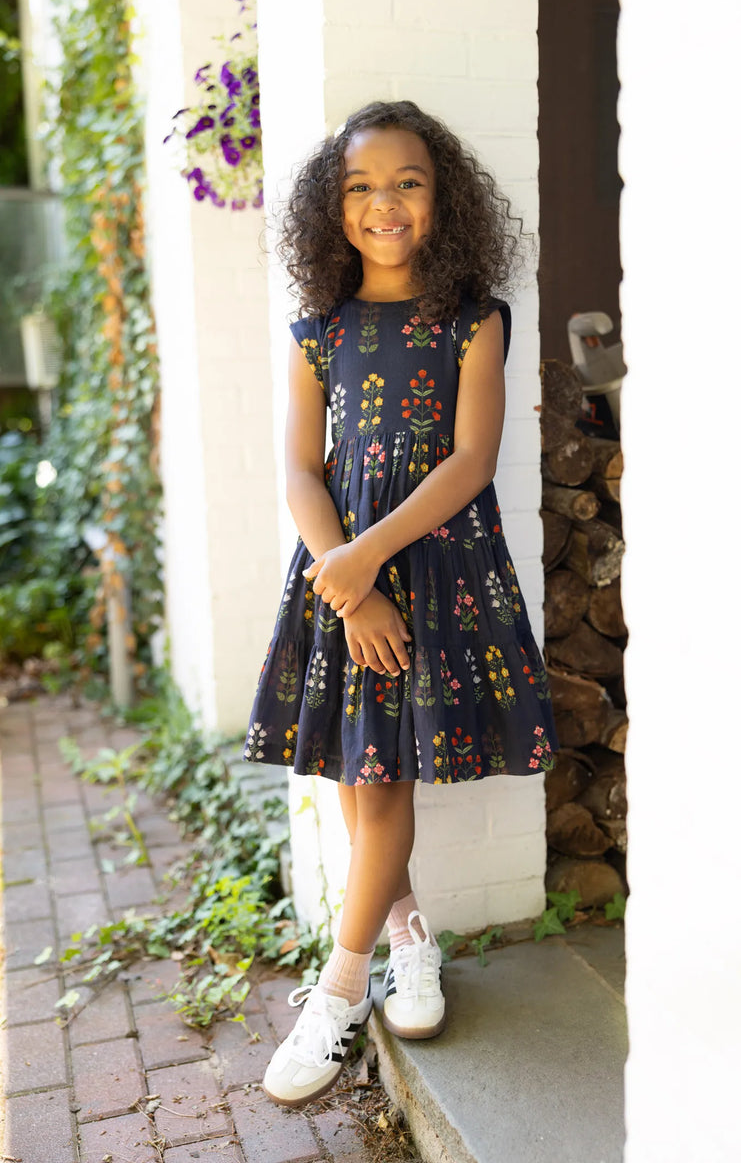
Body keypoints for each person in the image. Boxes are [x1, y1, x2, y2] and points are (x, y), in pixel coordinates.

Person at [244, 100, 559, 1108]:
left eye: (408, 182)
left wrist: (369, 559)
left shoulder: (474, 319)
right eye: (360, 186)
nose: (385, 204)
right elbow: (298, 469)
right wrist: (343, 578)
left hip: (432, 570)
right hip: (343, 581)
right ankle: (406, 939)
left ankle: (340, 993)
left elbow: (469, 462)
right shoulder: (316, 331)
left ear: (444, 196)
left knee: (381, 783)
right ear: (329, 208)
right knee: (364, 774)